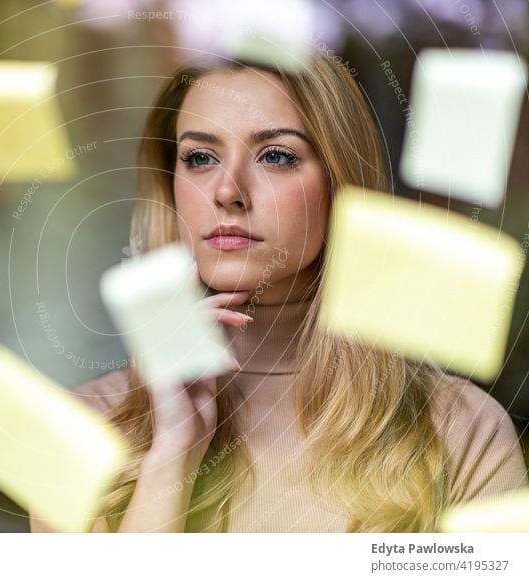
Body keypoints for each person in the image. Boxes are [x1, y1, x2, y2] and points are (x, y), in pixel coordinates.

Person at [30, 55, 528, 533]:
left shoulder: (461, 433)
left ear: (341, 185)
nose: (228, 191)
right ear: (171, 181)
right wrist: (170, 454)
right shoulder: (78, 431)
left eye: (276, 156)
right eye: (199, 157)